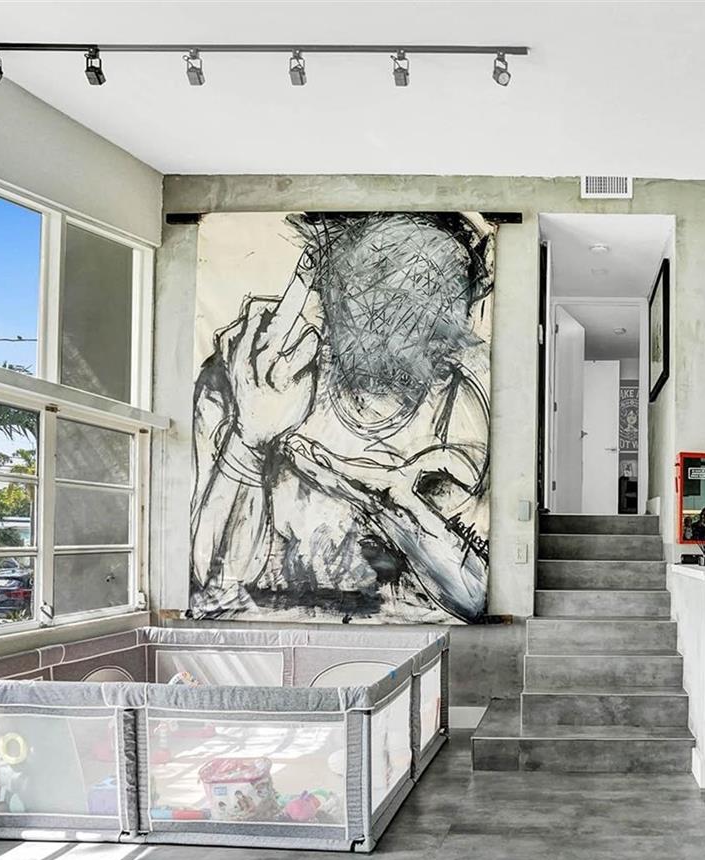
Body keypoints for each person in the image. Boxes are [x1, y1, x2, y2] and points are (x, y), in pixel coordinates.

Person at [190, 212, 493, 622]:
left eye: (435, 294)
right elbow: (217, 585)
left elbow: (473, 592)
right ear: (331, 284)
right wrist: (250, 440)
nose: (403, 315)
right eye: (382, 274)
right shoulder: (247, 376)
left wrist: (380, 494)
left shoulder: (458, 411)